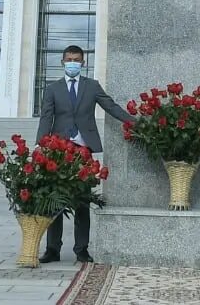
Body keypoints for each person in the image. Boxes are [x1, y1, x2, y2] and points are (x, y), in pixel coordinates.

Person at [35, 45, 133, 264]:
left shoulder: (92, 86)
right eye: (69, 59)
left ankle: (82, 249)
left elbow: (111, 106)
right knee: (55, 202)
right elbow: (45, 118)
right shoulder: (52, 89)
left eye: (76, 59)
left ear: (83, 63)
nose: (72, 62)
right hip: (58, 151)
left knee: (82, 201)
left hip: (83, 151)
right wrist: (41, 144)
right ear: (62, 62)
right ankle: (52, 249)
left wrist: (134, 122)